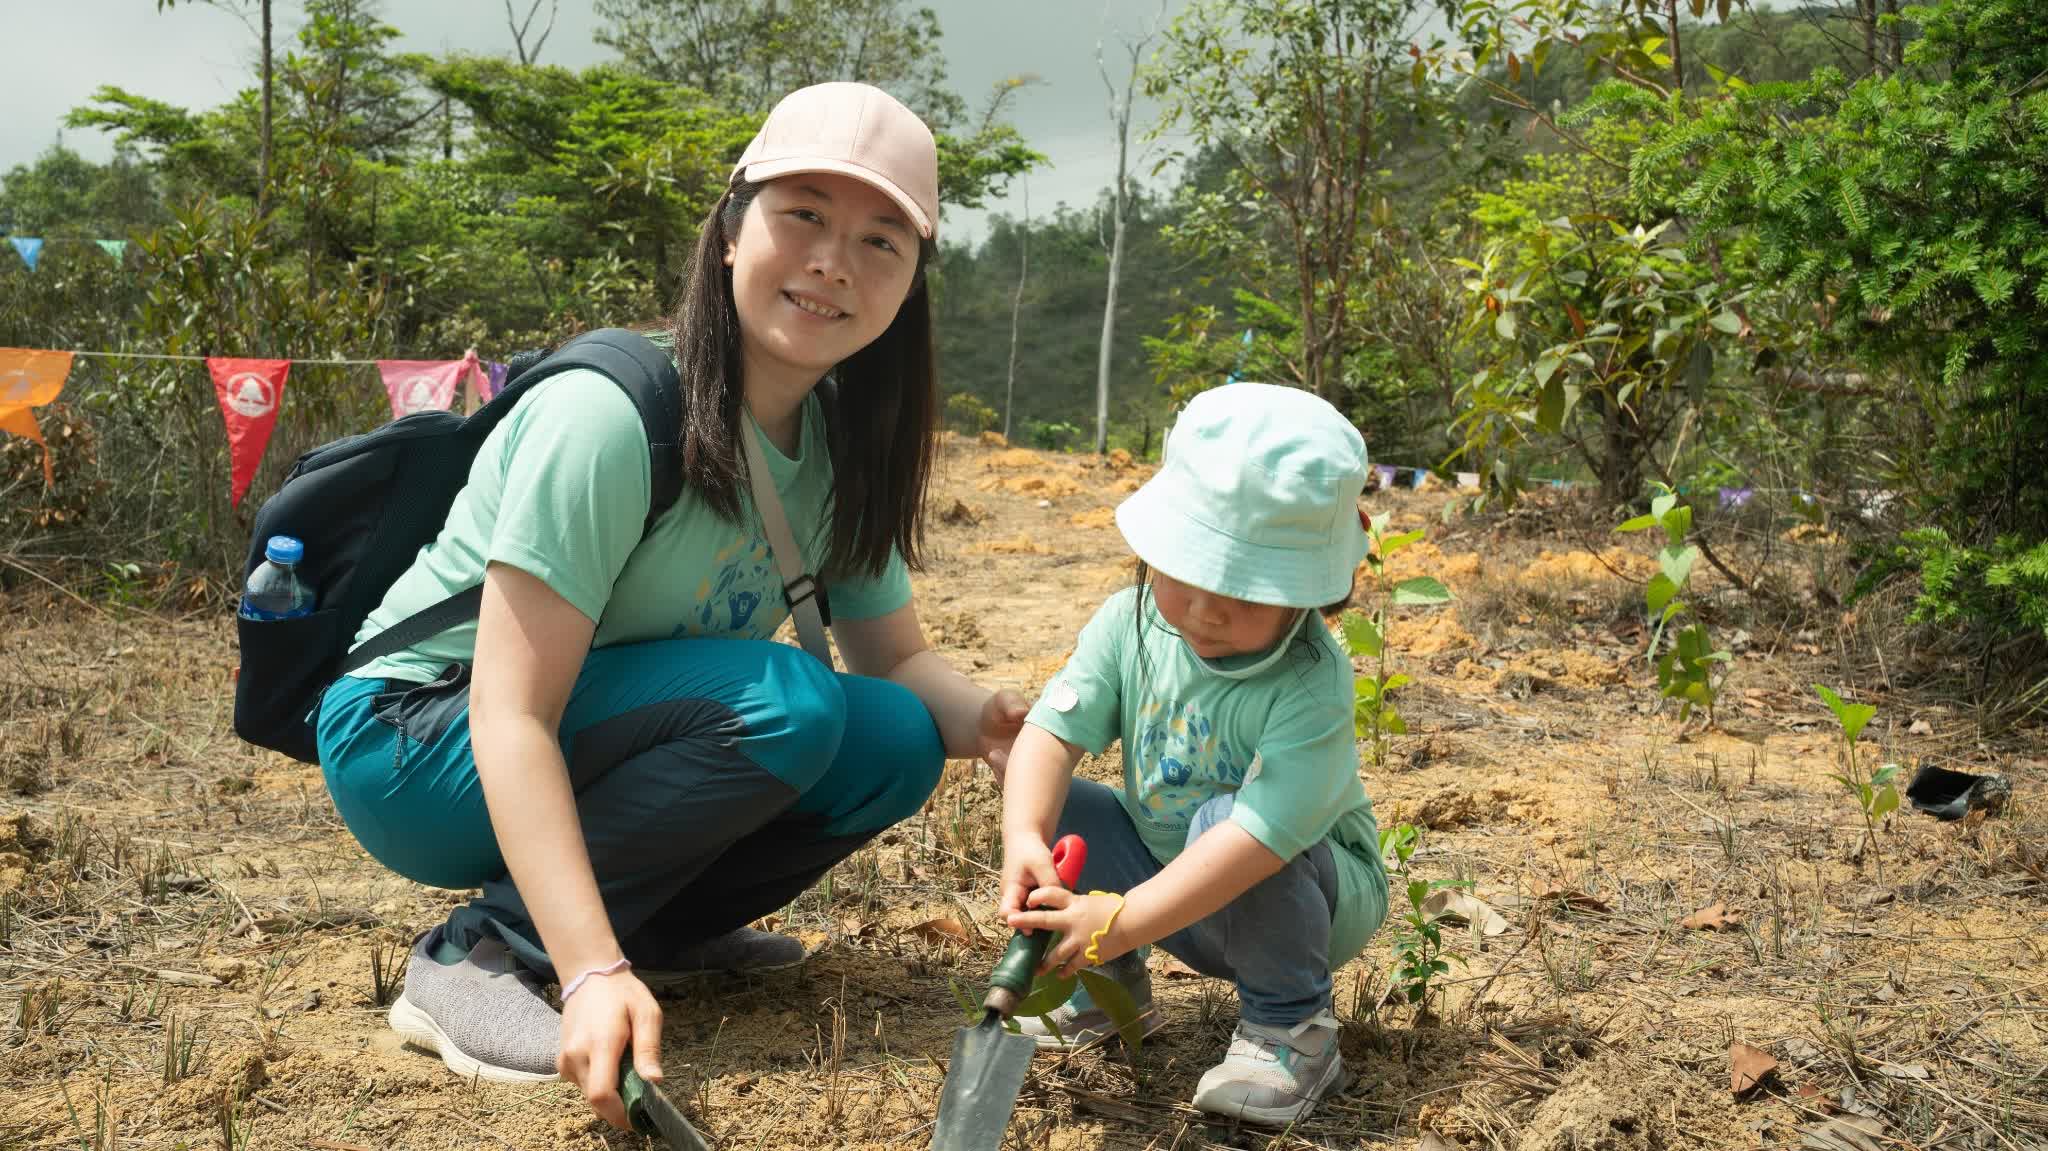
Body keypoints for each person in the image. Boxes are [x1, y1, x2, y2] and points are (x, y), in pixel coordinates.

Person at [313, 82, 1028, 1131]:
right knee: (786, 698)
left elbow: (893, 659)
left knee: (893, 737)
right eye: (804, 217)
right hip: (418, 736)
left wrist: (995, 727)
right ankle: (490, 948)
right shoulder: (608, 417)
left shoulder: (834, 443)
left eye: (882, 240)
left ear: (912, 282)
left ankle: (652, 926)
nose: (834, 261)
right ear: (731, 230)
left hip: (591, 730)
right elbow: (509, 713)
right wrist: (589, 968)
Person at [997, 382, 1390, 1127]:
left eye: (1244, 588)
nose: (1207, 609)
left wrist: (1113, 917)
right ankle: (1104, 991)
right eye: (1189, 573)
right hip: (1165, 878)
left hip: (1302, 890)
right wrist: (1024, 840)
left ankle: (1292, 1029)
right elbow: (1047, 736)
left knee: (1225, 823)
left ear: (1310, 592)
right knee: (1061, 804)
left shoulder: (1311, 680)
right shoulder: (1132, 624)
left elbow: (1252, 844)